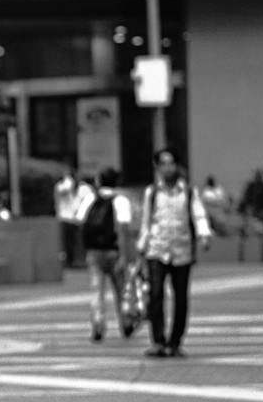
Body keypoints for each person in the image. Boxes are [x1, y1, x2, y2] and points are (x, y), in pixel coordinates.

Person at [137, 149, 209, 357]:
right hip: (157, 249)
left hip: (181, 251)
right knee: (156, 294)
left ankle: (175, 342)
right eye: (163, 164)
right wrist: (142, 246)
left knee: (181, 298)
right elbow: (146, 222)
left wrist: (204, 235)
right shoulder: (152, 193)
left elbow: (198, 215)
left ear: (177, 166)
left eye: (171, 163)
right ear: (157, 168)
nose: (168, 168)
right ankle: (158, 341)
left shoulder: (188, 191)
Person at [79, 166, 136, 341]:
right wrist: (126, 256)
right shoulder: (121, 201)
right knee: (121, 290)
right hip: (115, 251)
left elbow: (80, 220)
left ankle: (98, 323)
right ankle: (126, 322)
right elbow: (124, 229)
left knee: (96, 290)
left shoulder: (90, 199)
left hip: (94, 251)